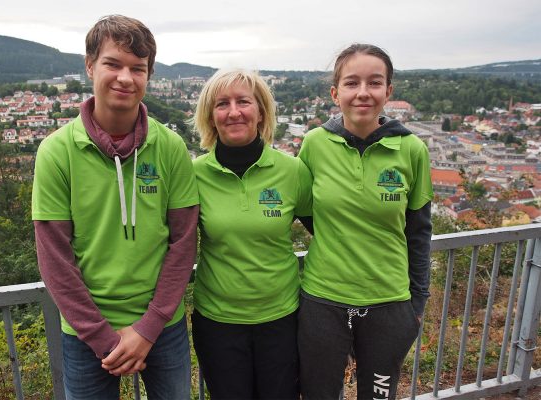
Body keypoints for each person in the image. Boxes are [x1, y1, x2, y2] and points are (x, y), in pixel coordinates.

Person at [31, 15, 199, 400]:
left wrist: (149, 327)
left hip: (163, 324)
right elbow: (54, 256)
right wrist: (103, 338)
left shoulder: (169, 146)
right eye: (113, 64)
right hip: (86, 329)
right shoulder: (57, 151)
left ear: (149, 76)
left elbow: (184, 242)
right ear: (90, 65)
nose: (125, 77)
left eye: (137, 68)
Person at [297, 44, 433, 400]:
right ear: (335, 93)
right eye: (351, 82)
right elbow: (308, 211)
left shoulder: (412, 150)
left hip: (388, 301)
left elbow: (419, 232)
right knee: (319, 394)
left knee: (377, 396)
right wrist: (340, 237)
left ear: (388, 91)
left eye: (374, 83)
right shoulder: (313, 144)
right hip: (323, 300)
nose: (362, 92)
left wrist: (416, 305)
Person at [191, 69, 312, 400]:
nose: (234, 112)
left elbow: (328, 236)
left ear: (260, 112)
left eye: (243, 101)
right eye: (222, 104)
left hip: (282, 319)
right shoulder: (193, 175)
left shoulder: (292, 171)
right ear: (210, 117)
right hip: (217, 322)